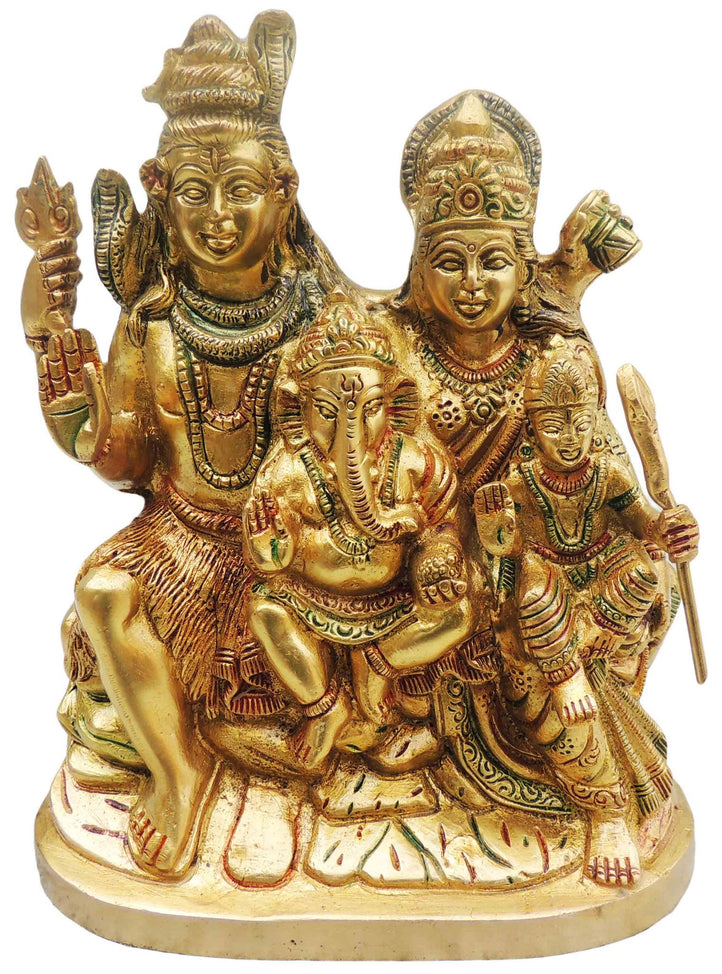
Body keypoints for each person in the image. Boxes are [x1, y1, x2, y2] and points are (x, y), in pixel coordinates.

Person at [20, 13, 333, 876]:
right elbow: (121, 457)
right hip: (181, 536)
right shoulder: (152, 322)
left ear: (284, 192)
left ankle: (289, 756)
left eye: (240, 189)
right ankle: (180, 769)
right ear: (160, 192)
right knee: (102, 592)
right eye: (194, 191)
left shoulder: (319, 315)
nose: (218, 216)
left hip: (290, 547)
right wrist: (59, 360)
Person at [474, 345, 699, 884]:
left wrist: (670, 530)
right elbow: (505, 559)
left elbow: (644, 524)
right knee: (533, 586)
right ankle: (569, 674)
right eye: (554, 426)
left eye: (579, 422)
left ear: (595, 419)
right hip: (547, 596)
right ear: (533, 429)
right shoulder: (523, 485)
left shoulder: (609, 476)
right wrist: (498, 538)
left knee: (642, 571)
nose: (569, 438)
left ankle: (595, 645)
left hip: (599, 592)